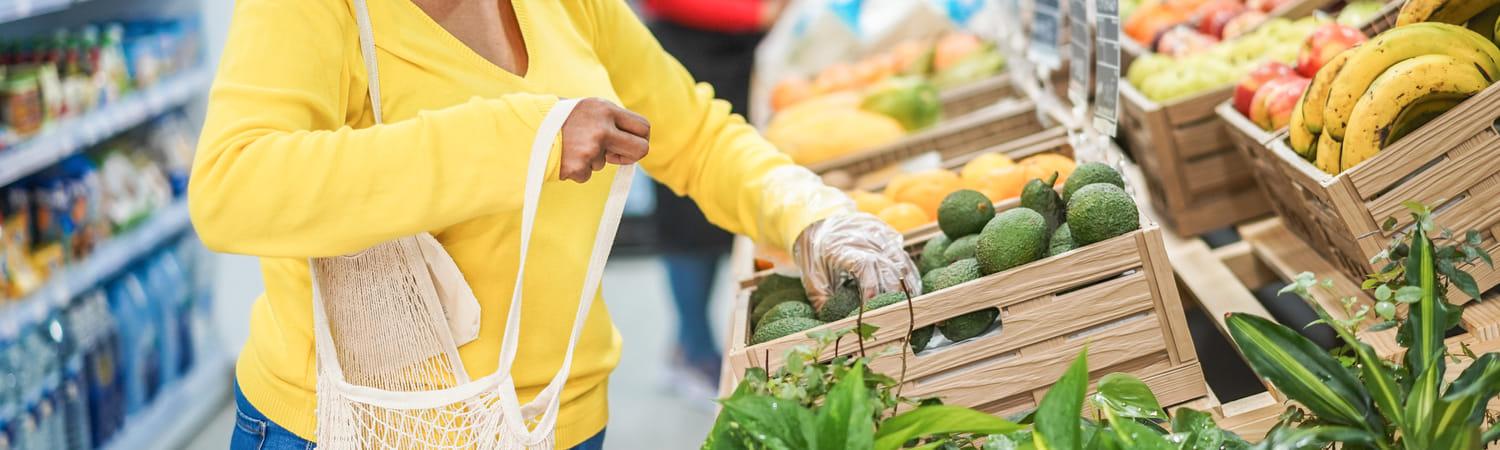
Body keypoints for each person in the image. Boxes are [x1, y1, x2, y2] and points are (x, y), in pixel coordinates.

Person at [191, 0, 920, 449]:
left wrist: (810, 213)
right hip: (363, 429)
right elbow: (234, 186)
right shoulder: (311, 9)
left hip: (558, 420)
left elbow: (690, 131)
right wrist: (521, 138)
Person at [640, 0, 786, 399]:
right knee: (687, 216)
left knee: (727, 208)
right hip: (688, 55)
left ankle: (691, 344)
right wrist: (751, 14)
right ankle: (694, 350)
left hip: (740, 52)